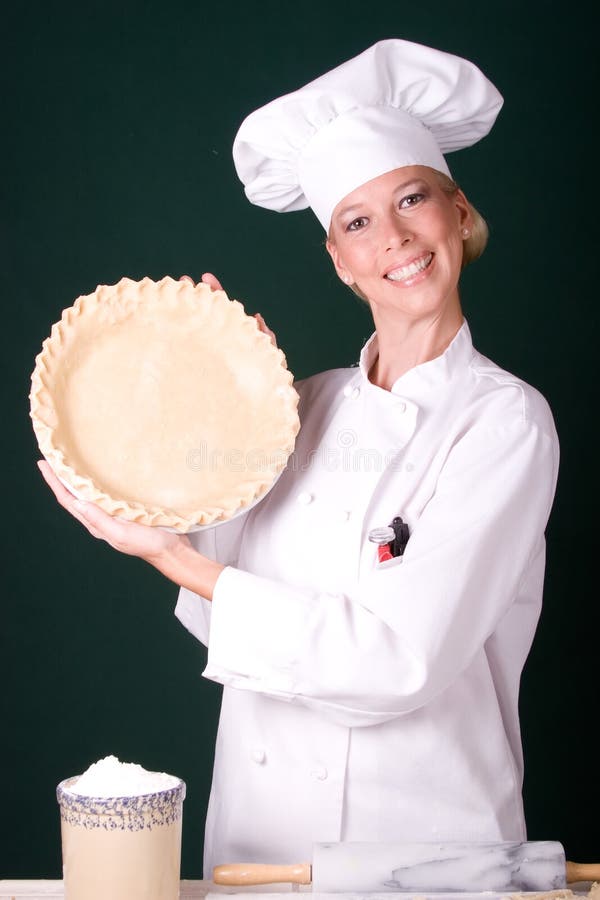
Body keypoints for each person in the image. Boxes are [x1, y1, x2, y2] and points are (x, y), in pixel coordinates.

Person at [39, 39, 559, 875]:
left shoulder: (505, 423)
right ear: (339, 260)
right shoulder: (301, 407)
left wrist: (178, 562)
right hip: (258, 842)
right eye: (357, 223)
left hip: (422, 852)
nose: (393, 238)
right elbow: (223, 611)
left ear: (458, 213)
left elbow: (399, 660)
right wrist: (210, 408)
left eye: (412, 200)